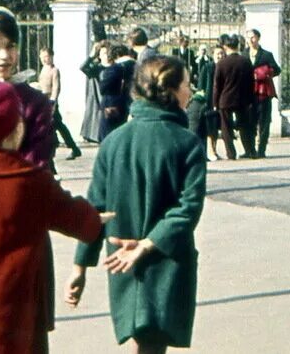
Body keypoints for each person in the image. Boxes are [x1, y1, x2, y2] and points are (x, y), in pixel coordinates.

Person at [69, 56, 208, 353]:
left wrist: (80, 265)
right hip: (166, 259)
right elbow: (189, 208)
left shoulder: (114, 142)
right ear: (169, 91)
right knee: (151, 344)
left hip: (121, 259)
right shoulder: (187, 143)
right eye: (186, 84)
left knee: (144, 342)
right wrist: (148, 244)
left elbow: (95, 209)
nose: (190, 90)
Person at [0, 79, 109, 354]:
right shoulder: (29, 179)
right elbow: (77, 219)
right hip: (16, 311)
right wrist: (97, 218)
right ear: (15, 127)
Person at [212, 34, 256, 160]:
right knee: (244, 125)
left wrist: (215, 102)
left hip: (225, 99)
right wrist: (250, 100)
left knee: (226, 127)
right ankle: (250, 150)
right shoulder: (245, 61)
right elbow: (251, 83)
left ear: (226, 47)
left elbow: (217, 86)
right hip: (242, 99)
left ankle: (231, 153)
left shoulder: (221, 64)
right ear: (238, 45)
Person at [39, 47, 83, 160]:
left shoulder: (54, 70)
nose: (44, 59)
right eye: (42, 56)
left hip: (51, 102)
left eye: (46, 56)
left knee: (55, 125)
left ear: (51, 57)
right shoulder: (43, 69)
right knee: (58, 125)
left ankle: (63, 147)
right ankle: (73, 148)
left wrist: (53, 100)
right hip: (44, 101)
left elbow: (56, 87)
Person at [246, 29, 282, 158]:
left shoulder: (266, 55)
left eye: (253, 37)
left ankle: (261, 149)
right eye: (248, 37)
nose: (251, 40)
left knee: (264, 122)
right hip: (249, 94)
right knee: (250, 122)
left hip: (263, 93)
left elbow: (277, 70)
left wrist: (266, 72)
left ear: (258, 38)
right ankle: (250, 149)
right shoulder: (244, 54)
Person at [97, 42, 136, 141]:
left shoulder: (115, 68)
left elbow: (103, 88)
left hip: (112, 107)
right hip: (128, 105)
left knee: (108, 138)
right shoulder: (136, 65)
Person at [80, 42, 105, 143]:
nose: (106, 56)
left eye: (107, 53)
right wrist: (91, 56)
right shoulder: (95, 68)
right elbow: (82, 67)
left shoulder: (114, 68)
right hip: (96, 98)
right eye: (103, 53)